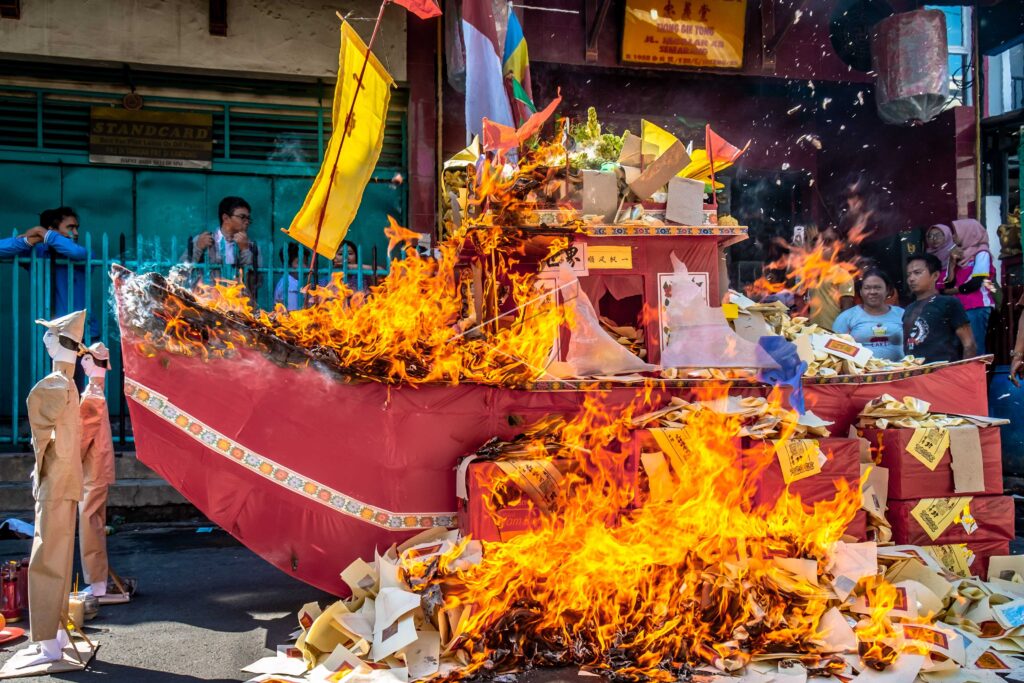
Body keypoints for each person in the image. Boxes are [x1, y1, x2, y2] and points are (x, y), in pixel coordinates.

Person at [9, 310, 86, 669]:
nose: (45, 339)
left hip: (56, 480)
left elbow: (37, 415)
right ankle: (49, 640)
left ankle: (47, 646)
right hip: (61, 479)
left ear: (56, 342)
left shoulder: (57, 383)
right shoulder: (67, 383)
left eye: (49, 335)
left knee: (46, 561)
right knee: (53, 558)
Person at [0, 207, 90, 321]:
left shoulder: (85, 253)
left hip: (85, 331)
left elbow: (75, 252)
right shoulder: (37, 253)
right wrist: (29, 241)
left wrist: (41, 232)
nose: (76, 233)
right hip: (49, 331)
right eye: (70, 228)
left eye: (76, 228)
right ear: (52, 229)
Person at [78, 342, 116, 600]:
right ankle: (98, 580)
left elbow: (82, 435)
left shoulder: (93, 392)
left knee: (89, 524)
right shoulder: (95, 390)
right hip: (96, 466)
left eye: (86, 359)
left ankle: (98, 583)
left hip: (92, 468)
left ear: (93, 363)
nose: (82, 363)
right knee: (92, 522)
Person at [903, 253, 976, 363]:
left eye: (917, 273)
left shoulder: (948, 302)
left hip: (943, 374)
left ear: (935, 275)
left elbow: (969, 344)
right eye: (909, 274)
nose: (911, 279)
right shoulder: (908, 309)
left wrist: (964, 373)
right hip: (914, 375)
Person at [183, 196, 262, 296]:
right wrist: (198, 248)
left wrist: (245, 250)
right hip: (208, 304)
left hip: (238, 306)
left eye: (248, 218)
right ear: (225, 218)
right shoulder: (204, 239)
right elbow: (182, 271)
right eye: (242, 217)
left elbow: (256, 282)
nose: (247, 222)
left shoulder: (251, 247)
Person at [938, 219, 996, 356]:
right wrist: (952, 263)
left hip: (977, 306)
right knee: (960, 347)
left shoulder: (982, 253)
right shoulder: (958, 255)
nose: (953, 237)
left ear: (968, 233)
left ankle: (978, 377)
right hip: (959, 307)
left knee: (974, 346)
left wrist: (952, 291)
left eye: (956, 233)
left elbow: (976, 283)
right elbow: (947, 284)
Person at [832, 268, 905, 361]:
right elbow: (834, 348)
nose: (872, 292)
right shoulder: (847, 317)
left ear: (888, 290)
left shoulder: (902, 314)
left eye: (877, 287)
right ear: (861, 292)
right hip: (862, 373)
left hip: (901, 371)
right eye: (867, 288)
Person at [806, 227, 855, 330]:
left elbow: (847, 313)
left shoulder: (843, 275)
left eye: (828, 241)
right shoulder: (811, 274)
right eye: (818, 240)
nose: (822, 245)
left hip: (833, 334)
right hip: (813, 332)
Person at [273, 243, 304, 312]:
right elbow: (293, 312)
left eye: (306, 262)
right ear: (288, 265)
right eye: (299, 263)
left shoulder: (290, 281)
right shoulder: (290, 284)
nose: (304, 266)